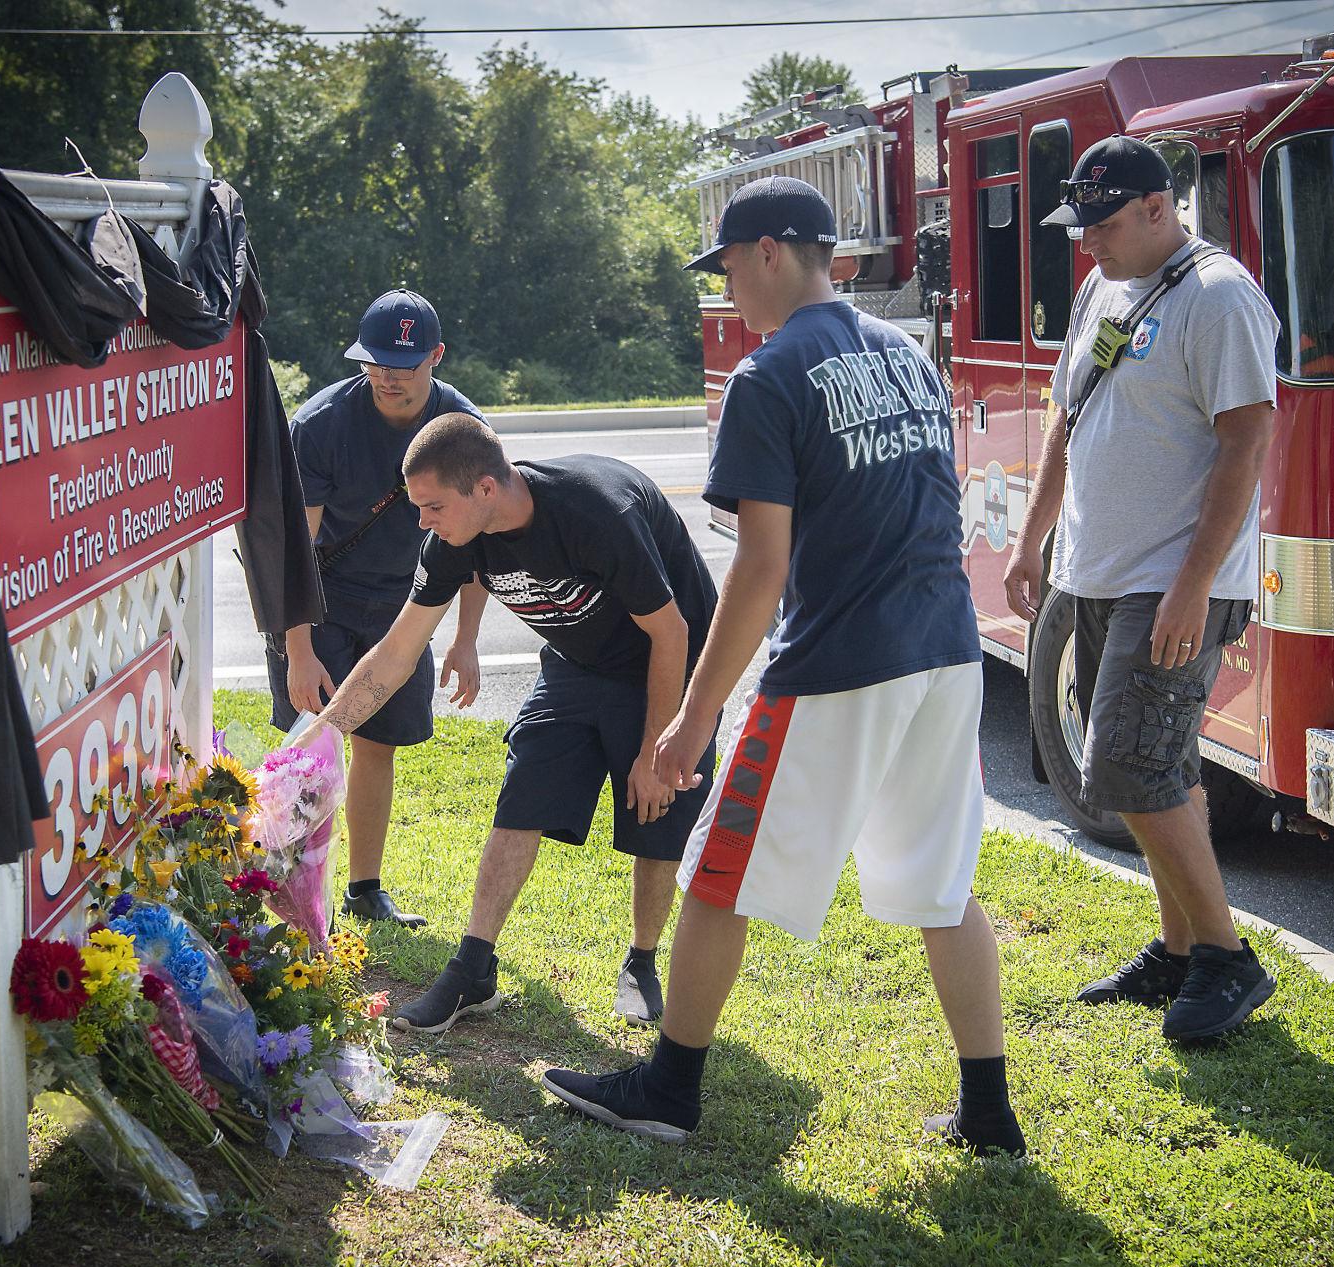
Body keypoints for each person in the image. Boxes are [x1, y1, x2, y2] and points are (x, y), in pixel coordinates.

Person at [541, 175, 1026, 1154]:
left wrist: (690, 718)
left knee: (716, 872)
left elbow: (758, 569)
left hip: (836, 665)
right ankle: (989, 1117)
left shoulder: (768, 377)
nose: (723, 290)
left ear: (767, 250)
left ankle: (667, 1091)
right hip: (945, 652)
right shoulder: (906, 356)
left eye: (723, 267)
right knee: (942, 886)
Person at [295, 413, 718, 1031]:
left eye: (433, 506)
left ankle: (642, 960)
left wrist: (655, 750)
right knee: (523, 797)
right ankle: (473, 969)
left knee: (653, 810)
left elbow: (672, 631)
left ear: (485, 490)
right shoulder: (452, 542)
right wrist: (319, 738)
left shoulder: (596, 513)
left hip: (668, 661)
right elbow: (396, 651)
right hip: (576, 661)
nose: (422, 522)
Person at [1002, 135, 1279, 1041]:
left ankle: (1226, 960)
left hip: (1170, 583)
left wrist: (1193, 586)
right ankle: (1173, 951)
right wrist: (1031, 540)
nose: (1086, 242)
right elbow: (1064, 419)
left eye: (1104, 223)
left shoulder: (1218, 296)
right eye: (1077, 225)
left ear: (1160, 209)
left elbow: (1245, 443)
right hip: (1094, 572)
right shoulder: (1100, 287)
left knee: (1121, 768)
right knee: (1159, 769)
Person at [267, 289, 488, 928]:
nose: (390, 376)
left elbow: (475, 540)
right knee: (308, 744)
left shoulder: (461, 429)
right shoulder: (323, 424)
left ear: (436, 357)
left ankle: (364, 888)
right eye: (378, 362)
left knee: (378, 743)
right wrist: (299, 652)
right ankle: (288, 893)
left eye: (407, 363)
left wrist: (465, 639)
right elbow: (294, 553)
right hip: (323, 597)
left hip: (405, 604)